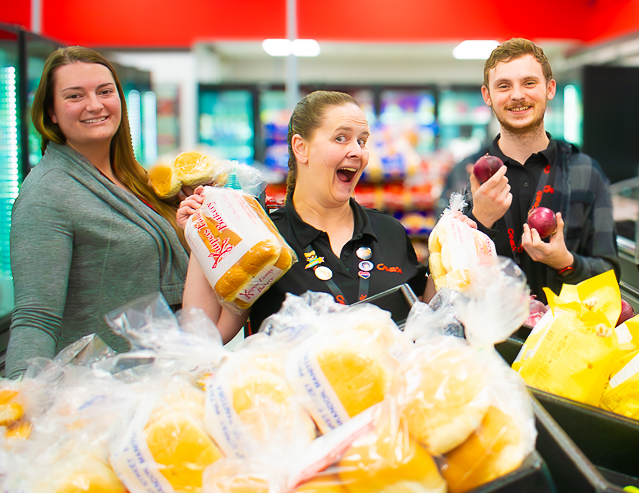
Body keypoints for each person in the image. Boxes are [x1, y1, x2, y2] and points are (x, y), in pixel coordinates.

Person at [180, 91, 430, 342]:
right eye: (341, 138)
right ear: (301, 148)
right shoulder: (263, 239)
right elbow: (205, 338)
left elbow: (429, 319)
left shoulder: (389, 231)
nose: (357, 151)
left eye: (362, 141)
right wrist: (203, 233)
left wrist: (461, 235)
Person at [5, 46, 188, 377]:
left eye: (105, 92)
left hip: (154, 380)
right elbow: (35, 317)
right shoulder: (47, 194)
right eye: (75, 96)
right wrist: (19, 404)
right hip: (99, 395)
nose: (94, 104)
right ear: (52, 112)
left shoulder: (132, 179)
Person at [469, 38, 618, 298]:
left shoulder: (586, 172)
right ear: (487, 96)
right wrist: (478, 220)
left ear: (549, 88)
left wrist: (567, 262)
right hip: (486, 335)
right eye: (504, 86)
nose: (517, 95)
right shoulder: (466, 176)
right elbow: (445, 275)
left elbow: (610, 276)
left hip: (568, 335)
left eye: (529, 83)